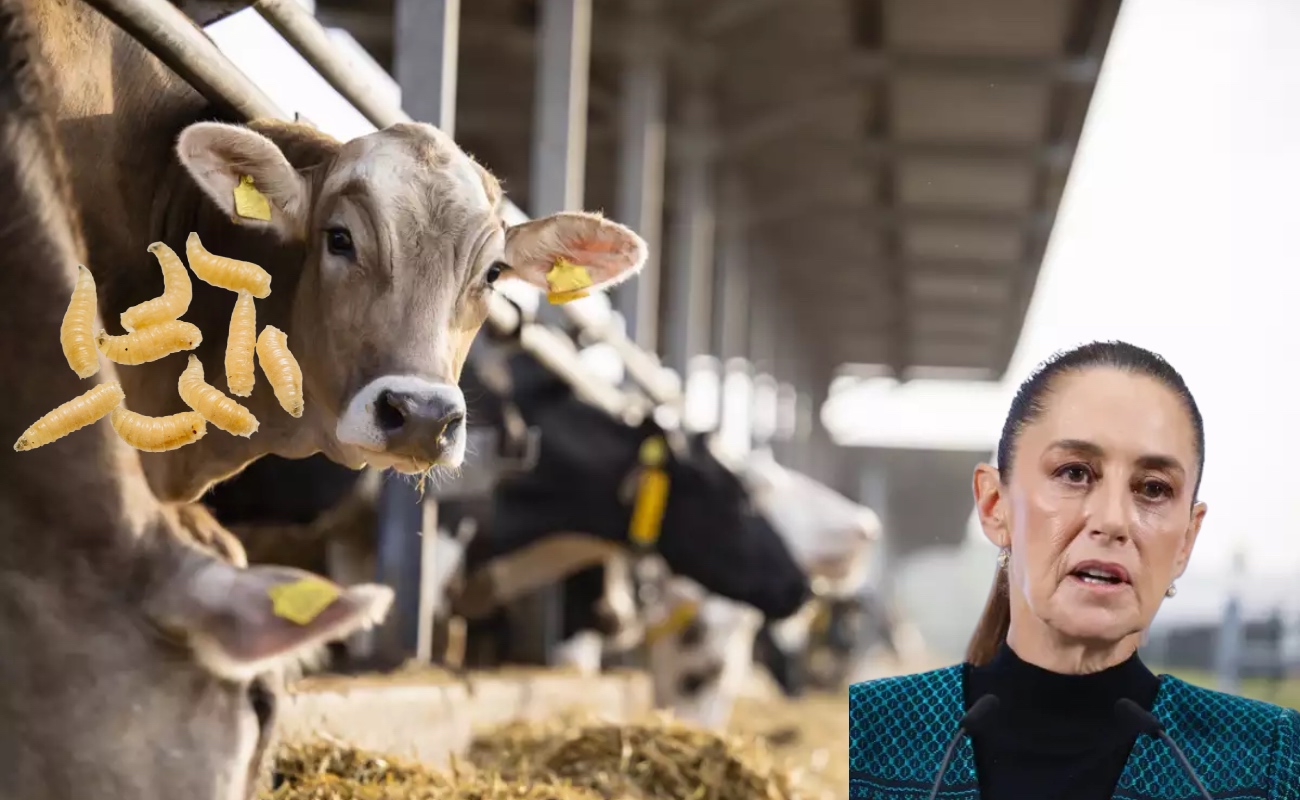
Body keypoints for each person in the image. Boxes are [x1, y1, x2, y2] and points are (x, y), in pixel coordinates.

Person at [848, 341, 1300, 799]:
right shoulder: (865, 736)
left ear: (1186, 539)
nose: (1113, 520)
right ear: (994, 505)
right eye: (1075, 473)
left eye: (1153, 488)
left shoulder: (1272, 760)